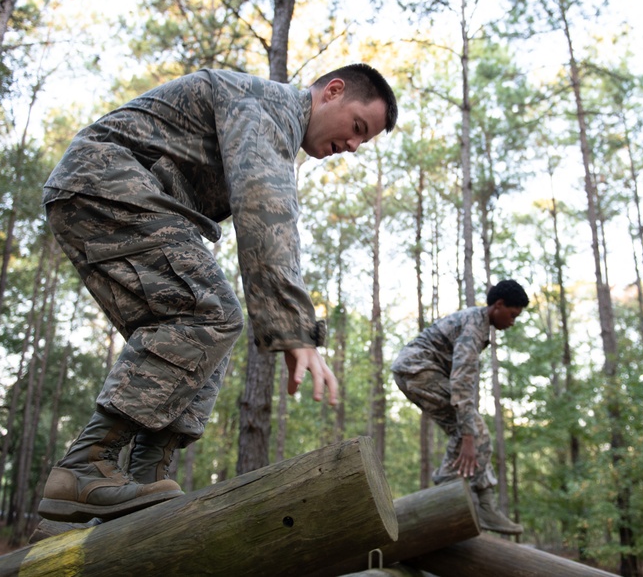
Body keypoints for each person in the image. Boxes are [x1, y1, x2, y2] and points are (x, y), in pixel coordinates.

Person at [36, 64, 398, 524]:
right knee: (211, 315)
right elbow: (266, 205)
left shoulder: (271, 122)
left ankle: (145, 478)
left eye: (361, 144)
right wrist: (295, 328)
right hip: (106, 180)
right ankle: (86, 465)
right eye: (357, 128)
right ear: (333, 91)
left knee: (204, 334)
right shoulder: (268, 105)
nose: (351, 146)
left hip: (94, 191)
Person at [391, 279, 528, 535]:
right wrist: (467, 434)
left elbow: (463, 384)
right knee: (473, 431)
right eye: (512, 314)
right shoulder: (475, 326)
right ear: (498, 306)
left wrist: (467, 432)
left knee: (475, 432)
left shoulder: (477, 322)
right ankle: (448, 499)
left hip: (415, 371)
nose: (513, 322)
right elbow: (461, 381)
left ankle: (480, 504)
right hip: (417, 370)